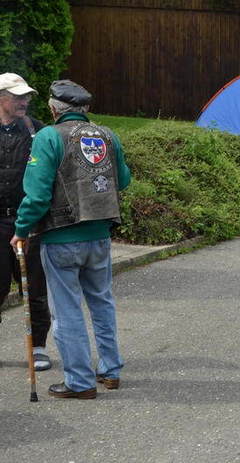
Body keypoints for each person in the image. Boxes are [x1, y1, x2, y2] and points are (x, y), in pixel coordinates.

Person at [11, 80, 131, 399]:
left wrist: (21, 229)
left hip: (60, 238)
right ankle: (110, 370)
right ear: (85, 108)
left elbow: (37, 195)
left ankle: (79, 382)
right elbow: (123, 179)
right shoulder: (108, 135)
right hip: (100, 235)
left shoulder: (49, 136)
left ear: (54, 109)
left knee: (66, 311)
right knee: (102, 303)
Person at [0, 73, 52, 371]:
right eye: (18, 96)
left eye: (26, 96)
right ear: (1, 98)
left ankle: (38, 347)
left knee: (33, 288)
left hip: (30, 222)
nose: (24, 102)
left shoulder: (38, 132)